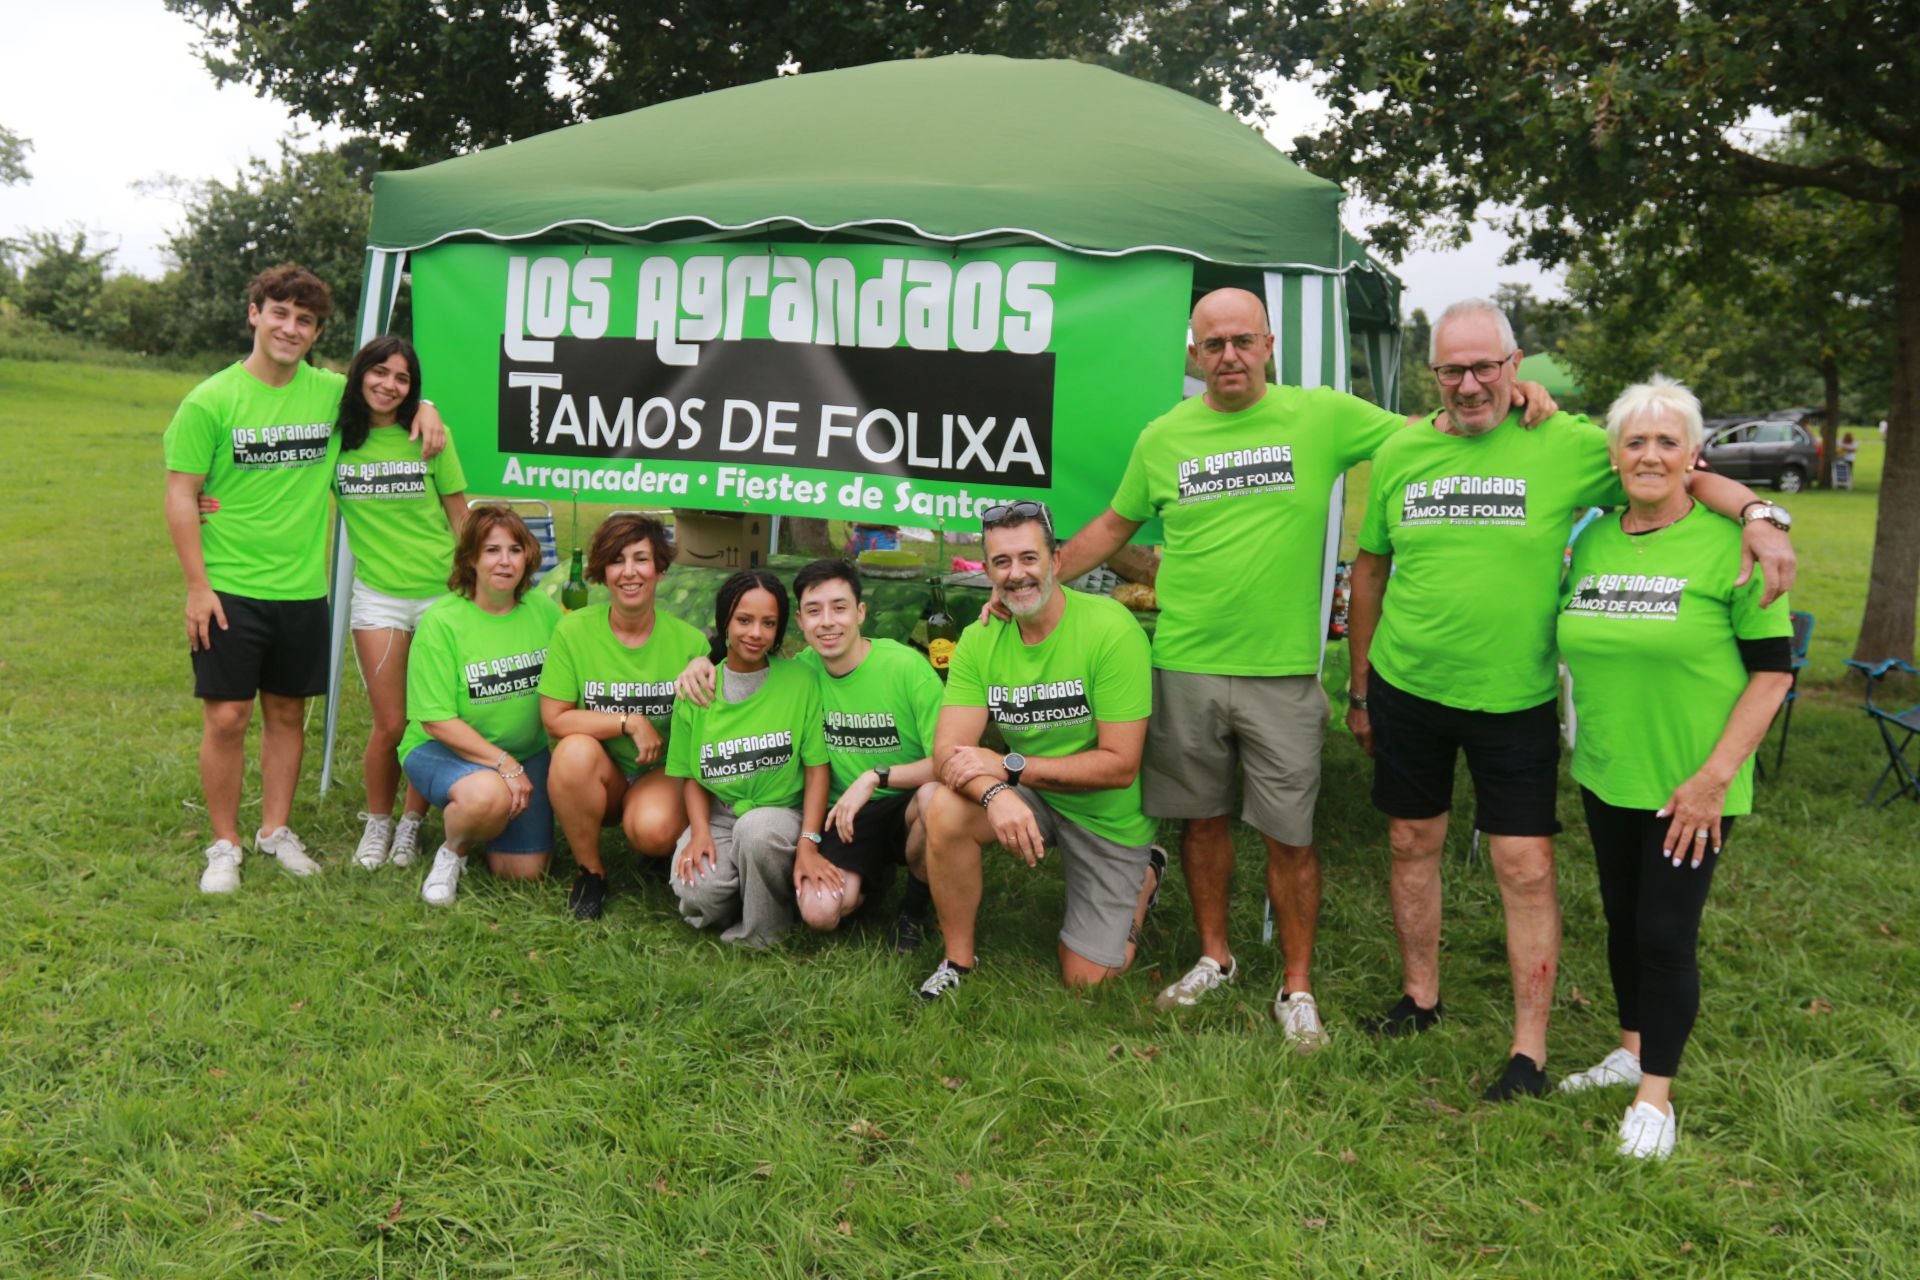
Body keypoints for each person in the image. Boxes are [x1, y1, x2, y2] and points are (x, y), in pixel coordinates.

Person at [1032, 287, 1557, 1048]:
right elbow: (1114, 526)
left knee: (1289, 835)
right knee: (1202, 823)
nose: (1229, 356)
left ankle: (1297, 983)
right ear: (1194, 355)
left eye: (1243, 340)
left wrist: (1516, 394)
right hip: (1183, 664)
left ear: (1270, 344)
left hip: (1282, 673)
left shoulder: (1324, 415)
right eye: (1213, 345)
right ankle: (1216, 957)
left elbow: (1428, 430)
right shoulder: (1164, 436)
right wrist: (1035, 585)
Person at [1346, 298, 1796, 1100]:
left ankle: (1529, 1050)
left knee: (1524, 865)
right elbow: (1371, 570)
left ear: (1516, 366)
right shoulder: (1401, 451)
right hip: (1406, 683)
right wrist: (1360, 687)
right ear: (1433, 373)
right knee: (1411, 843)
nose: (1471, 382)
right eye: (1453, 368)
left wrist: (1760, 516)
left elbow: (1672, 466)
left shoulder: (1565, 442)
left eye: (1487, 365)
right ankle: (1420, 998)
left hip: (1514, 694)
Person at [1554, 377, 1793, 1158]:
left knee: (1664, 932)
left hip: (1695, 783)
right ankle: (1630, 1047)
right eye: (1635, 441)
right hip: (1608, 768)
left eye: (1667, 442)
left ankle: (1656, 1096)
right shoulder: (1591, 539)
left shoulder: (1735, 546)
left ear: (1694, 456)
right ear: (1614, 456)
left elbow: (1772, 673)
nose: (1650, 455)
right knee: (1622, 920)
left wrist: (1715, 778)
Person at [163, 264, 443, 893]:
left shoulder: (328, 393)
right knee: (228, 717)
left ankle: (276, 831)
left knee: (288, 713)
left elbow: (388, 390)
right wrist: (197, 586)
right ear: (254, 313)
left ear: (317, 332)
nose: (291, 328)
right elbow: (182, 494)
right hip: (230, 585)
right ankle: (224, 843)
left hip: (302, 589)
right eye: (280, 313)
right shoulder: (210, 400)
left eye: (306, 320)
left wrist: (429, 406)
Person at [917, 501, 1166, 999]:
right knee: (943, 806)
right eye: (1002, 562)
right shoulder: (980, 638)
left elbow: (1120, 766)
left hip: (1106, 814)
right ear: (986, 571)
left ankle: (1144, 876)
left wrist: (1010, 767)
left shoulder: (1111, 629)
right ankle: (957, 961)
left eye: (1029, 558)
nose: (1017, 574)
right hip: (1033, 793)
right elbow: (948, 752)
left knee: (1086, 980)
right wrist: (995, 794)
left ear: (1056, 560)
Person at [677, 559, 946, 949]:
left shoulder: (907, 669)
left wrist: (876, 777)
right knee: (819, 914)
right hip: (845, 816)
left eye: (839, 608)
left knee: (936, 799)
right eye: (815, 611)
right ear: (800, 622)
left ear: (860, 612)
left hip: (902, 800)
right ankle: (869, 880)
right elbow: (746, 646)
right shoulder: (803, 670)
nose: (828, 622)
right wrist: (703, 660)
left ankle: (914, 910)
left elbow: (947, 761)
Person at [331, 336, 467, 872]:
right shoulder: (336, 438)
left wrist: (472, 588)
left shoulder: (431, 437)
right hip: (379, 597)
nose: (388, 385)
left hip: (440, 593)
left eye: (403, 379)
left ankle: (412, 826)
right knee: (389, 721)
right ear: (360, 373)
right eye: (379, 372)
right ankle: (377, 823)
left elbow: (461, 516)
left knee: (427, 718)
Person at [538, 513, 708, 920]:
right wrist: (629, 721)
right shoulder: (573, 631)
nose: (629, 572)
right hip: (602, 773)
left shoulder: (690, 642)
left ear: (660, 570)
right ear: (603, 572)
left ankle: (657, 848)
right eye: (617, 560)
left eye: (641, 559)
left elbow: (700, 738)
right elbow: (555, 719)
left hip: (660, 772)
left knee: (652, 829)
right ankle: (591, 872)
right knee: (572, 752)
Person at [398, 505, 562, 906]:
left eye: (515, 549)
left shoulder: (543, 610)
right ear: (471, 558)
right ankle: (452, 851)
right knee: (488, 797)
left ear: (528, 558)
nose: (505, 561)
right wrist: (504, 765)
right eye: (491, 550)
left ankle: (484, 820)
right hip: (441, 750)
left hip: (526, 754)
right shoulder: (442, 622)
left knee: (525, 873)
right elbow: (436, 720)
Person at [666, 571, 830, 946]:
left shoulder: (800, 681)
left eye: (768, 623)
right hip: (720, 815)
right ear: (725, 621)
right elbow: (690, 775)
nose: (756, 633)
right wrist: (701, 832)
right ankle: (749, 887)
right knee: (696, 892)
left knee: (756, 832)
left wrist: (808, 839)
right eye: (744, 620)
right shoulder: (697, 688)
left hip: (779, 816)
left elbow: (817, 770)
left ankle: (764, 931)